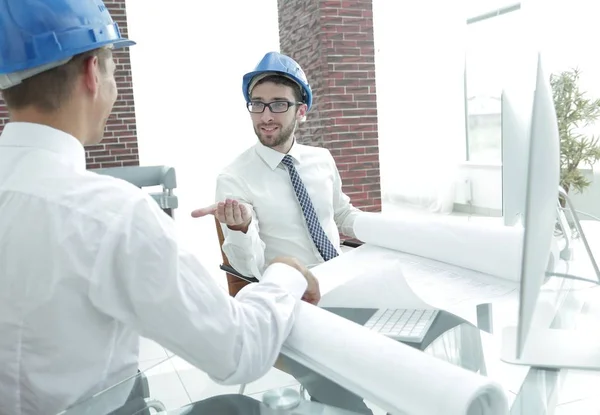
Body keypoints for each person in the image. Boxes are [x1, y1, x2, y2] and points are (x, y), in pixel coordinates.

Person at [0, 2, 320, 415]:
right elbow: (238, 351)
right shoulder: (110, 214)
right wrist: (286, 272)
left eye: (278, 104)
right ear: (92, 73)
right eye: (115, 69)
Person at [192, 52, 374, 414]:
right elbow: (251, 268)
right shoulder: (234, 177)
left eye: (278, 104)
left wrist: (386, 231)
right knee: (345, 381)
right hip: (295, 298)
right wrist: (240, 228)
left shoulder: (321, 159)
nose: (266, 116)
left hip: (343, 279)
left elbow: (341, 213)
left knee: (410, 342)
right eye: (257, 105)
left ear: (301, 110)